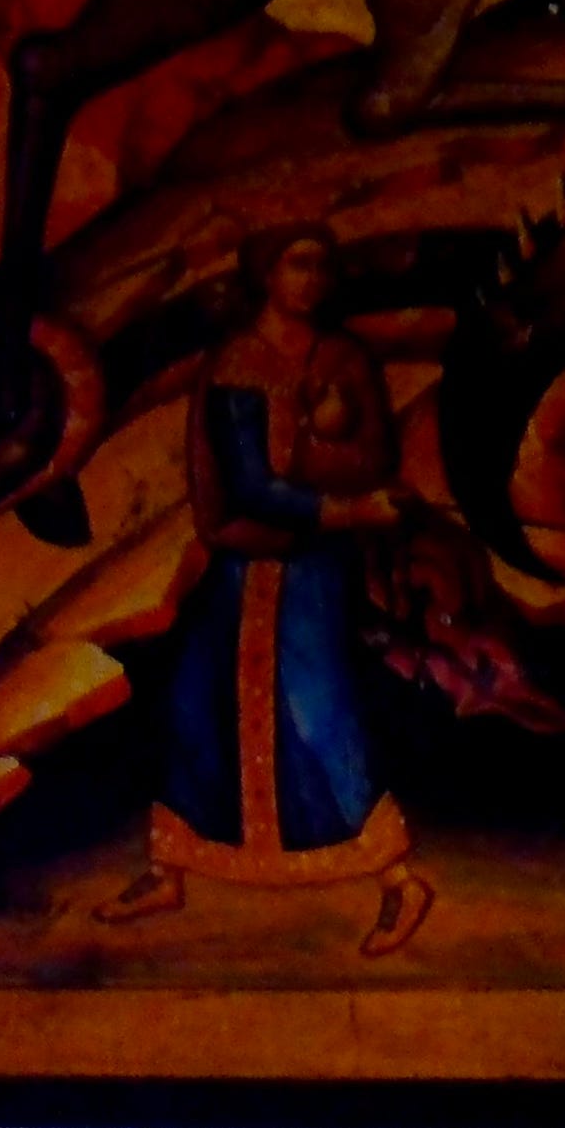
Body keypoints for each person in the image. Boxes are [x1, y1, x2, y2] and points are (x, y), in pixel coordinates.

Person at [114, 234, 434, 954]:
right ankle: (169, 870)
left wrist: (326, 446)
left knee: (320, 708)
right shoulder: (240, 362)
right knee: (197, 706)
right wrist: (343, 498)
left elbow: (377, 457)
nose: (313, 279)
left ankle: (398, 879)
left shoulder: (344, 357)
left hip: (314, 565)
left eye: (323, 265)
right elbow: (251, 486)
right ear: (266, 274)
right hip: (244, 555)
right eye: (298, 263)